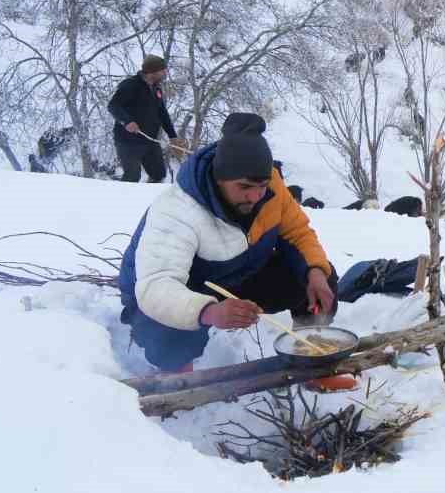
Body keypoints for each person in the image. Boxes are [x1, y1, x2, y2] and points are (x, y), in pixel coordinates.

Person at [117, 112, 338, 373]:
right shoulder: (178, 209)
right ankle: (180, 383)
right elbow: (156, 287)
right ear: (220, 178)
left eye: (262, 185)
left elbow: (296, 233)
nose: (256, 195)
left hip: (234, 274)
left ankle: (309, 358)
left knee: (317, 276)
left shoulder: (271, 187)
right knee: (167, 332)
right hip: (165, 292)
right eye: (244, 187)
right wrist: (209, 312)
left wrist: (314, 271)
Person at [107, 55, 179, 183]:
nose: (165, 73)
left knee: (159, 174)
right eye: (162, 70)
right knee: (132, 177)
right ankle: (124, 201)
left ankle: (149, 200)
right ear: (152, 71)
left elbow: (162, 113)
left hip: (149, 140)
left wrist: (173, 136)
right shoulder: (130, 85)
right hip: (128, 141)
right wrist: (127, 121)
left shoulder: (156, 88)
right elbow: (113, 105)